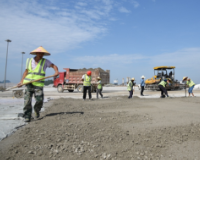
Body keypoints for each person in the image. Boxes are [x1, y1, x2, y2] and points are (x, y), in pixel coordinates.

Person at [17, 46, 59, 122]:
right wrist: (21, 81)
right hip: (28, 83)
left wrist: (56, 71)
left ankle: (37, 110)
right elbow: (26, 71)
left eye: (42, 53)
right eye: (40, 53)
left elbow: (54, 66)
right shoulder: (29, 60)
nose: (41, 55)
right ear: (36, 53)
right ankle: (27, 115)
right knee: (27, 101)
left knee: (39, 100)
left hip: (38, 85)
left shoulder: (45, 61)